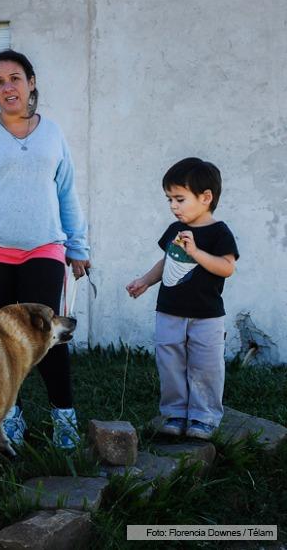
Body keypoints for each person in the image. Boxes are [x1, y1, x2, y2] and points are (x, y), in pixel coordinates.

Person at [0, 49, 90, 450]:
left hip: (43, 248)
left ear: (32, 82)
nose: (8, 87)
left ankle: (64, 419)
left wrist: (78, 245)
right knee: (3, 342)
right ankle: (13, 416)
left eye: (15, 78)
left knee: (47, 335)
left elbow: (66, 193)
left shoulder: (53, 133)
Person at [126, 157, 238, 440]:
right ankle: (174, 413)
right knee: (170, 362)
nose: (173, 206)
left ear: (205, 198)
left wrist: (197, 252)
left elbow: (227, 267)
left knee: (206, 366)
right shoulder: (175, 231)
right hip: (169, 311)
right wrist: (145, 281)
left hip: (207, 315)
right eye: (169, 200)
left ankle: (204, 416)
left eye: (179, 199)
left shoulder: (219, 232)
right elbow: (167, 262)